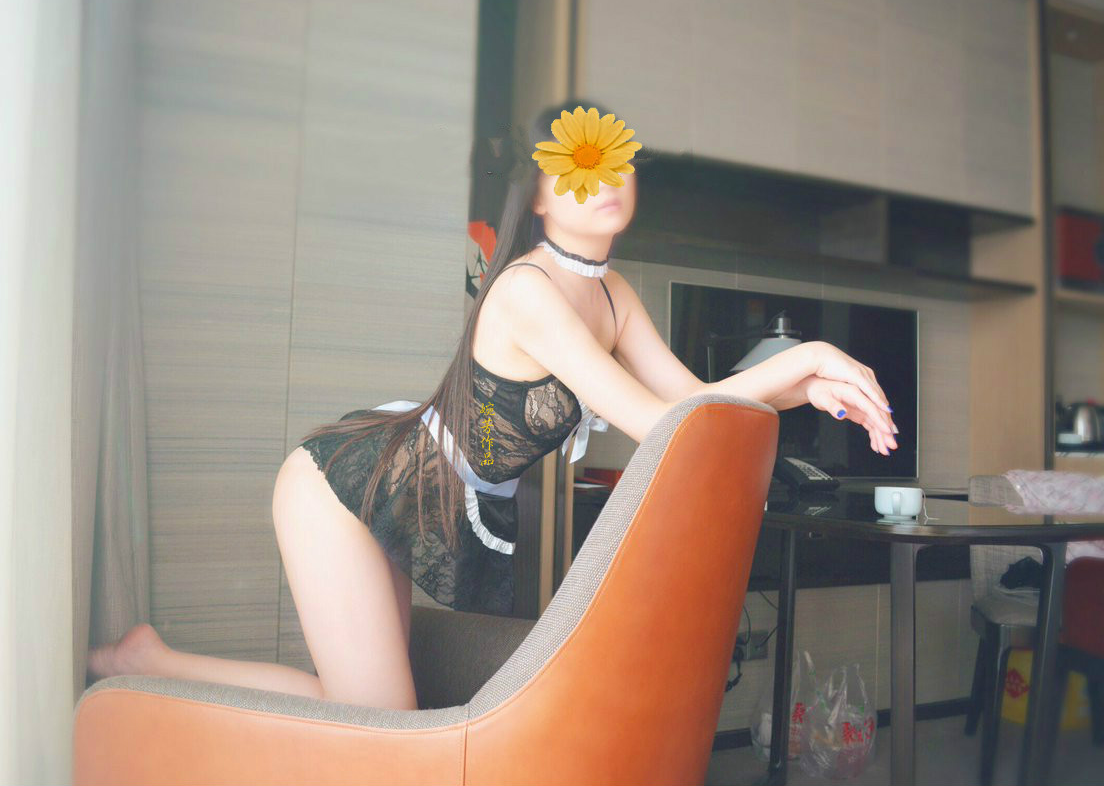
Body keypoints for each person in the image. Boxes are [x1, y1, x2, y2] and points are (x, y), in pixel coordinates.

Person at [86, 99, 898, 711]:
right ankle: (152, 666)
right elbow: (657, 425)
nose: (604, 179)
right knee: (378, 720)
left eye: (616, 161)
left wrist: (804, 387)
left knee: (367, 708)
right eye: (577, 165)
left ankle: (150, 661)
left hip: (412, 495)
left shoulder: (612, 293)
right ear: (539, 195)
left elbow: (693, 401)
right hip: (344, 488)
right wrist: (808, 356)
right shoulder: (526, 291)